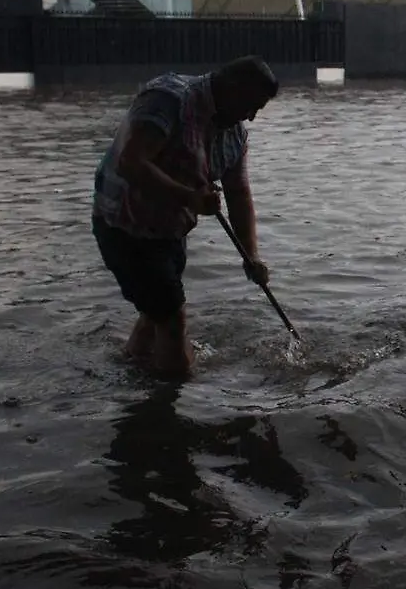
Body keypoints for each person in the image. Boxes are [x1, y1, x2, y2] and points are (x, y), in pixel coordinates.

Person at [91, 56, 278, 378]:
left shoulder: (234, 135)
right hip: (124, 226)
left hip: (169, 231)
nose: (251, 117)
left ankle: (132, 373)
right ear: (231, 89)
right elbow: (131, 163)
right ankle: (175, 397)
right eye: (251, 106)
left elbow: (238, 194)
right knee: (173, 318)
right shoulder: (170, 99)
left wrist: (252, 256)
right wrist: (189, 198)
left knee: (156, 312)